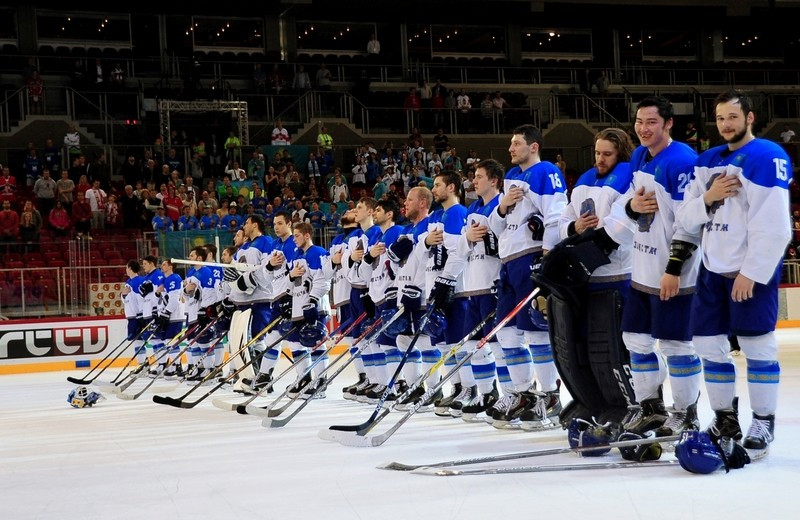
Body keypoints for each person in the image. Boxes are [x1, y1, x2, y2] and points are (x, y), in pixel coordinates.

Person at [678, 90, 791, 454]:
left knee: (758, 345)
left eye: (733, 117)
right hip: (712, 270)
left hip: (747, 273)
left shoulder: (767, 156)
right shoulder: (707, 160)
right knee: (708, 345)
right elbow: (686, 217)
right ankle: (724, 416)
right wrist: (708, 198)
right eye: (721, 118)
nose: (726, 124)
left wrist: (752, 272)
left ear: (750, 118)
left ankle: (763, 420)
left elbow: (775, 227)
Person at [611, 96, 701, 439]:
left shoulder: (682, 162)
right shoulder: (638, 156)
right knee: (635, 339)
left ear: (668, 124)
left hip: (673, 272)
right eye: (638, 121)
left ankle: (685, 412)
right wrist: (632, 208)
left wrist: (674, 269)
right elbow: (634, 208)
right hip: (642, 269)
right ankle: (649, 407)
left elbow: (690, 223)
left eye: (651, 122)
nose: (643, 129)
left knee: (677, 345)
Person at [545, 128, 636, 427]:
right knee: (581, 347)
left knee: (610, 348)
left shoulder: (628, 176)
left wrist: (589, 239)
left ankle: (623, 404)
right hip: (586, 282)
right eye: (597, 153)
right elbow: (562, 222)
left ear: (620, 152)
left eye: (607, 154)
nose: (600, 159)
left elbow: (621, 226)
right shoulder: (584, 180)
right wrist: (575, 228)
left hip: (616, 277)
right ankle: (592, 400)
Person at [486, 124, 567, 428]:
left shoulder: (545, 171)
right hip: (509, 262)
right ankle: (523, 394)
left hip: (532, 259)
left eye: (517, 143)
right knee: (506, 332)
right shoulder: (511, 179)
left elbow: (556, 213)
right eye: (511, 142)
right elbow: (496, 226)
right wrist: (503, 207)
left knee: (535, 332)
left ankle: (550, 396)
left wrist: (549, 256)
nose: (511, 148)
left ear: (533, 147)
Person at [452, 159, 504, 420]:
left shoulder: (501, 204)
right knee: (473, 344)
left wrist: (488, 238)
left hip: (492, 283)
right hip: (473, 285)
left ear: (494, 180)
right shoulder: (473, 208)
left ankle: (510, 395)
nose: (474, 181)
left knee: (497, 344)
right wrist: (468, 238)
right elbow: (462, 248)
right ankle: (486, 392)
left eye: (480, 176)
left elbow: (504, 243)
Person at [349, 199, 405, 403]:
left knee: (390, 341)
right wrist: (366, 257)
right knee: (383, 342)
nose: (376, 214)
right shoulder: (375, 237)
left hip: (392, 293)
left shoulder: (397, 231)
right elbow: (365, 272)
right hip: (378, 295)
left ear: (389, 214)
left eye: (379, 210)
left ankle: (397, 383)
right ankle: (390, 383)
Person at [283, 222, 333, 398]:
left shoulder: (318, 253)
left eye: (296, 235)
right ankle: (304, 378)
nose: (294, 239)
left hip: (314, 306)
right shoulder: (297, 255)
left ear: (306, 235)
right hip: (298, 306)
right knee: (295, 342)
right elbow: (289, 282)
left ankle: (321, 380)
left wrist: (312, 300)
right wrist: (290, 279)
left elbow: (324, 280)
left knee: (315, 340)